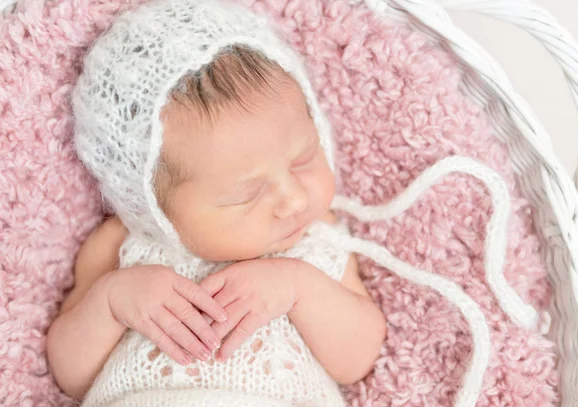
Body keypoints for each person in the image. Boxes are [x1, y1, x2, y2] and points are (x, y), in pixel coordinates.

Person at [46, 0, 386, 405]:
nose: (293, 199)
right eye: (247, 194)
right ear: (152, 206)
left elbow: (357, 359)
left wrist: (299, 289)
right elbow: (70, 373)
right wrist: (112, 302)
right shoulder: (121, 245)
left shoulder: (317, 241)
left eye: (304, 158)